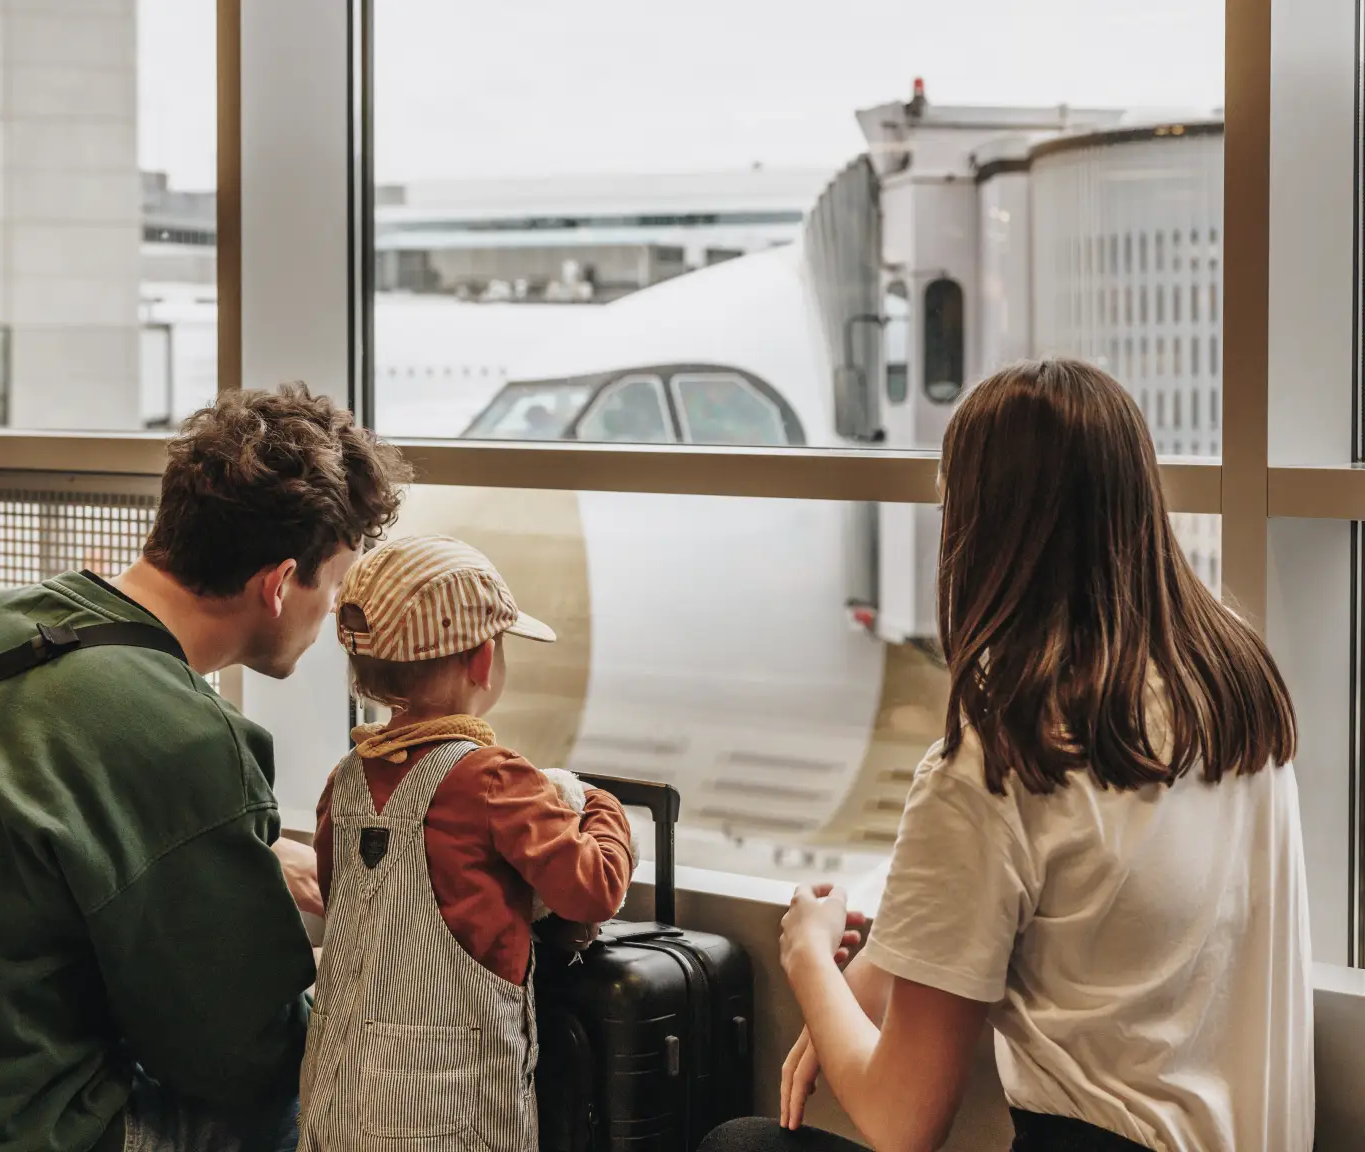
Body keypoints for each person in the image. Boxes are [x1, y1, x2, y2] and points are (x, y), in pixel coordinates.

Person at [705, 359, 1312, 1152]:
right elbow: (1100, 875)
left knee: (744, 1147)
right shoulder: (1232, 684)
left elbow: (901, 1120)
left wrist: (809, 952)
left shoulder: (1007, 753)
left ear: (980, 527)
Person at [0, 383, 407, 1152]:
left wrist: (230, 862)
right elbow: (241, 1056)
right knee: (313, 1105)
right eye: (337, 583)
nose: (336, 614)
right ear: (279, 584)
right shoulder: (187, 740)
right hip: (5, 1125)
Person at [300, 534, 635, 1152]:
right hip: (450, 1105)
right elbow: (593, 889)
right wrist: (600, 808)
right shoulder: (493, 779)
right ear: (483, 661)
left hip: (337, 1095)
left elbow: (340, 892)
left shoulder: (344, 781)